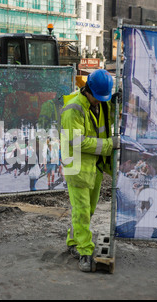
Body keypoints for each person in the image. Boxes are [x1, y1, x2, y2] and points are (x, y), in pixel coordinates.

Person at [60, 69, 121, 272]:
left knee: (89, 210)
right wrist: (108, 145)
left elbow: (107, 120)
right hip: (77, 168)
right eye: (98, 97)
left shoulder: (101, 103)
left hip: (93, 167)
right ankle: (85, 252)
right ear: (87, 90)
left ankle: (72, 239)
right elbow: (77, 142)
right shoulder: (73, 110)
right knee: (82, 212)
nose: (99, 101)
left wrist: (114, 103)